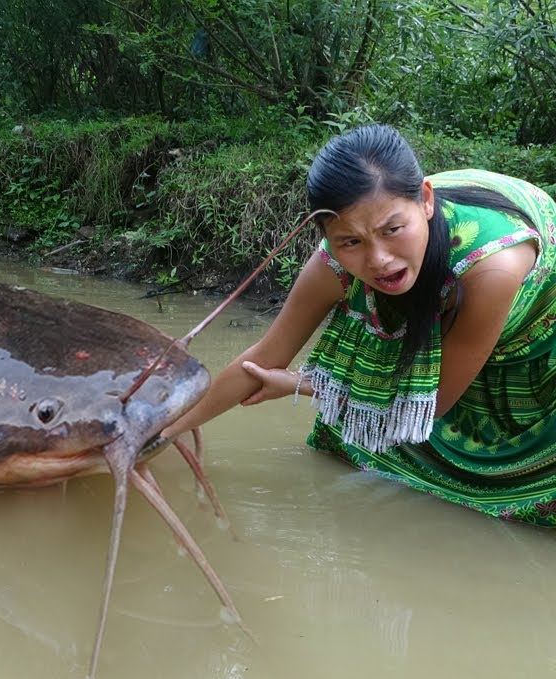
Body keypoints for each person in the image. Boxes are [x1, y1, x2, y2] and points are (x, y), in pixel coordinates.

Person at [163, 124, 556, 526]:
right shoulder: (331, 262)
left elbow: (428, 409)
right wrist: (155, 435)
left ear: (425, 200)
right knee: (351, 451)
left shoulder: (494, 268)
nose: (379, 260)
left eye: (392, 230)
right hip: (450, 298)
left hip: (533, 328)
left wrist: (303, 384)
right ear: (327, 236)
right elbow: (262, 359)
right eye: (350, 241)